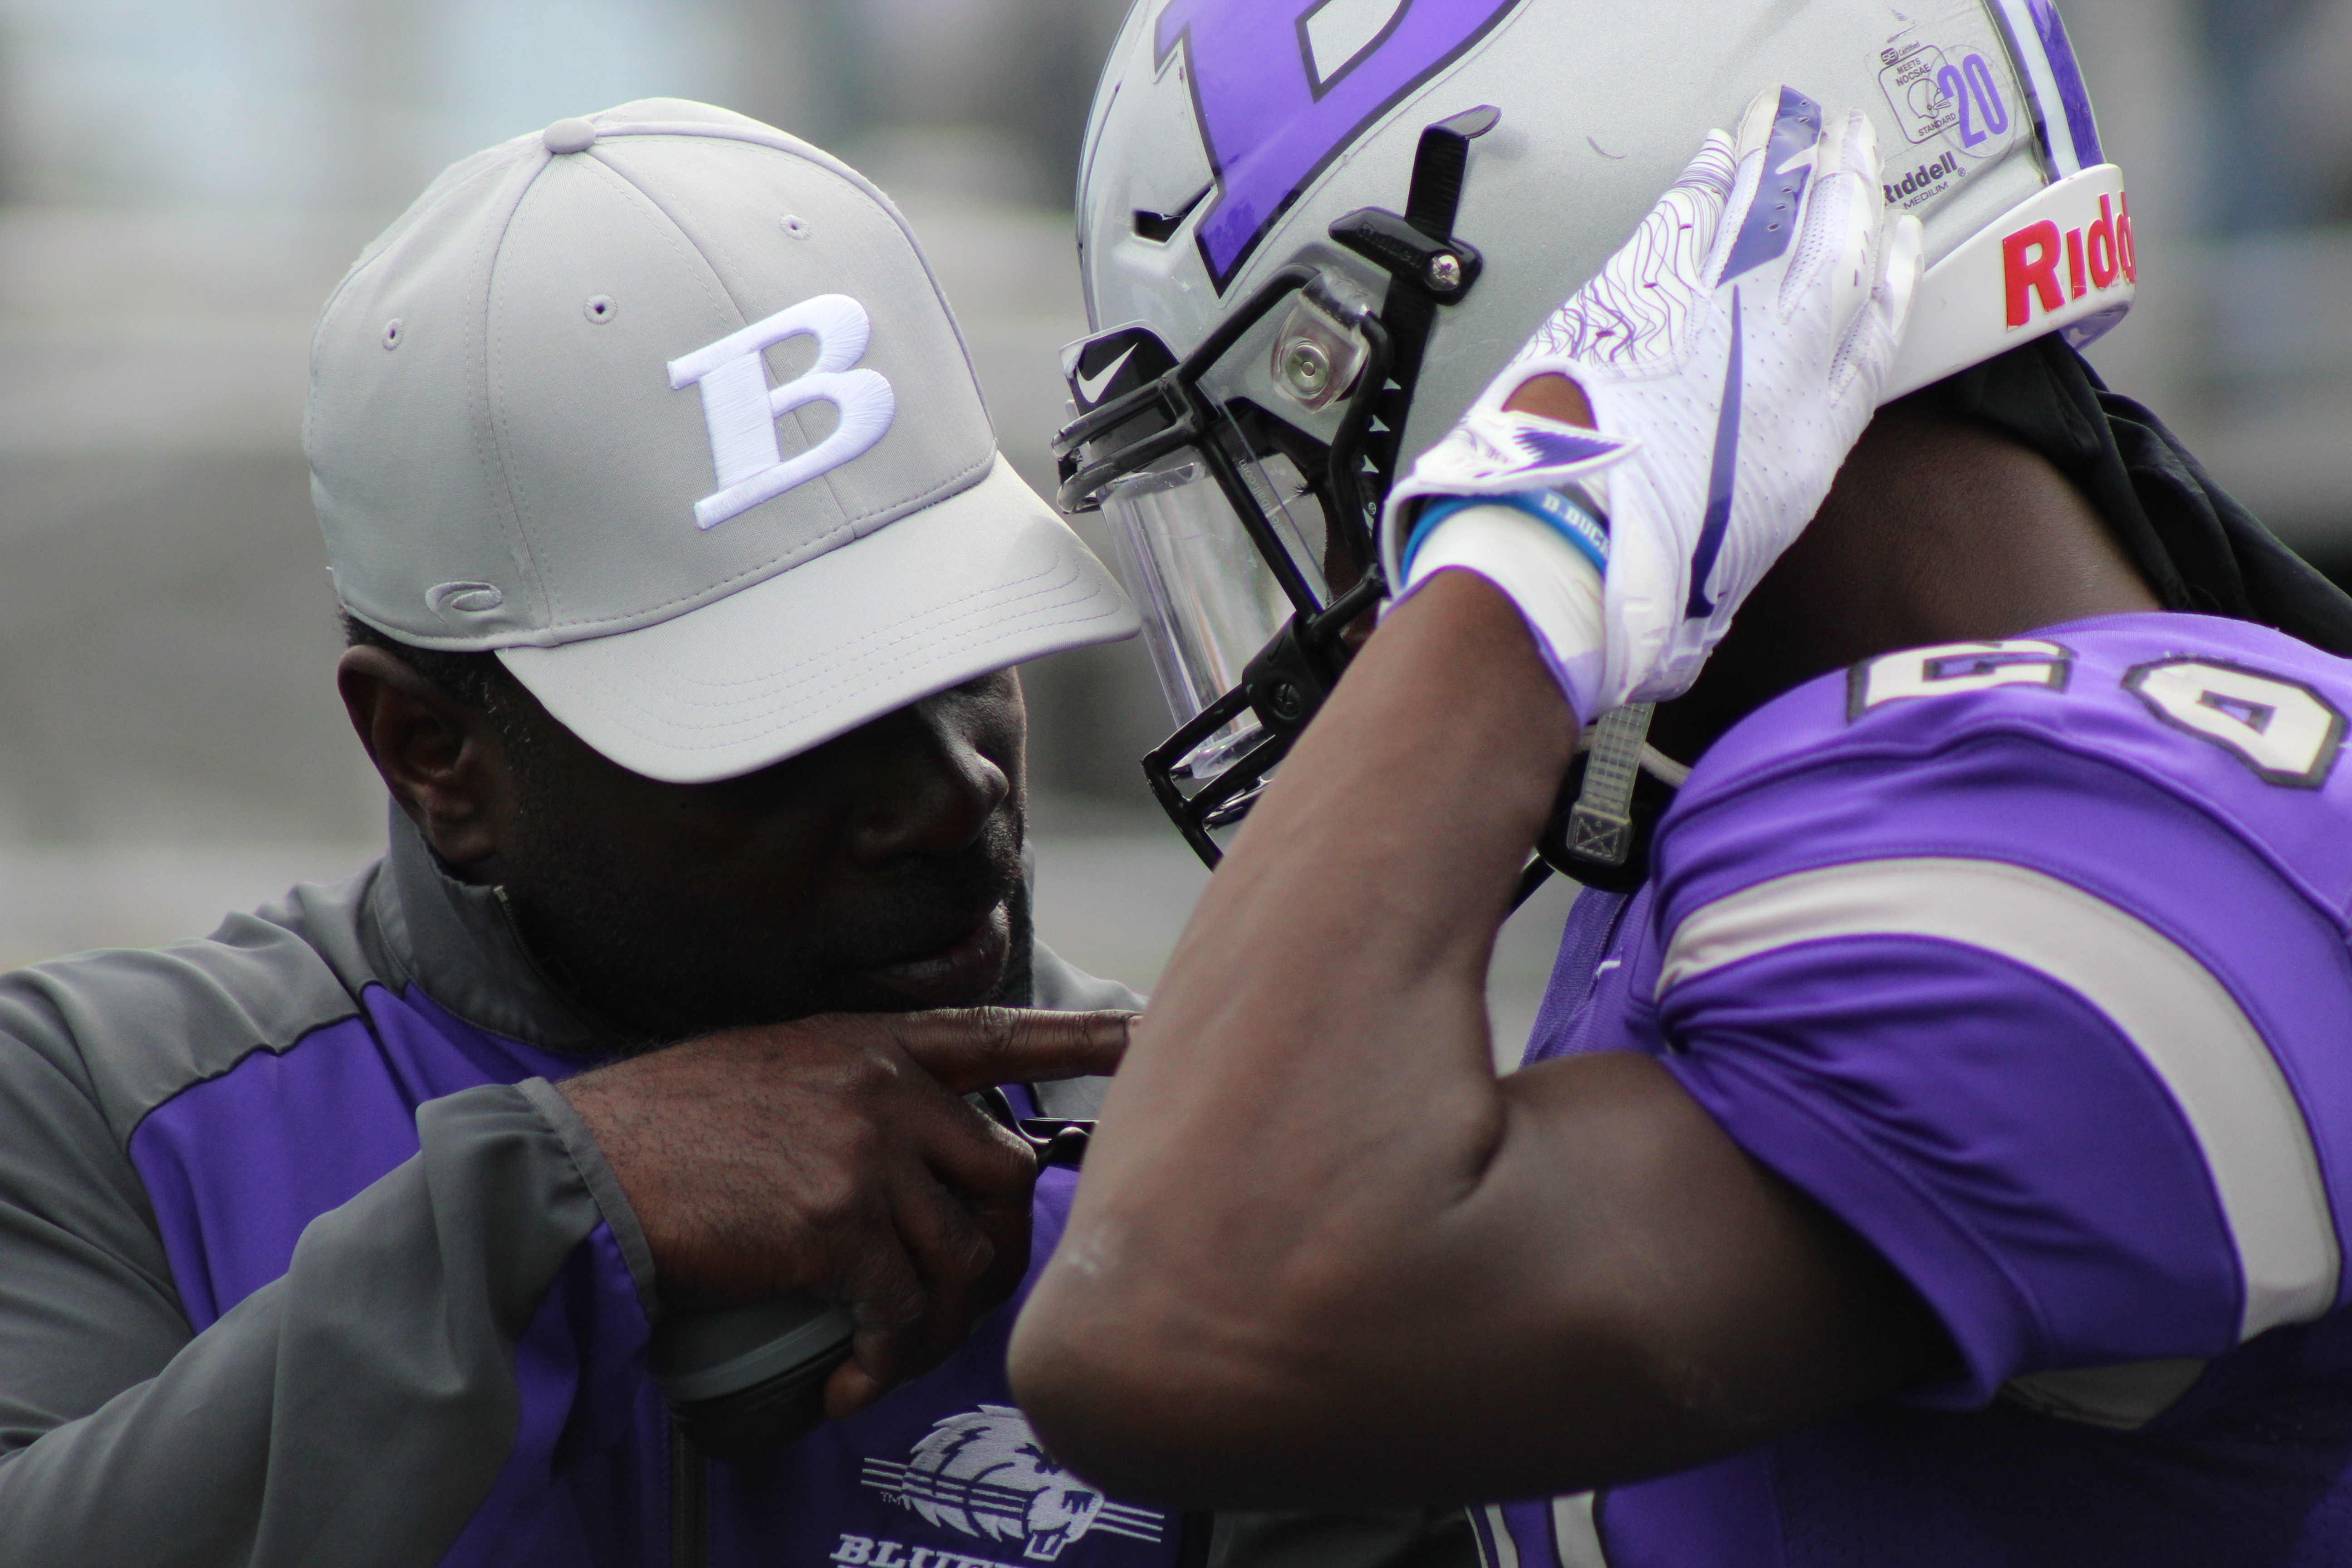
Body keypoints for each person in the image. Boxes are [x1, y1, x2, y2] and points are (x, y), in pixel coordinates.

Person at [0, 98, 1469, 1568]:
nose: (951, 793)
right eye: (791, 723)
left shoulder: (1207, 1180)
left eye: (964, 651)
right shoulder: (96, 1110)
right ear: (434, 756)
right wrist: (556, 1213)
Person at [1011, 4, 2352, 1564]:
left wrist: (1539, 544)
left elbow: (1180, 1323)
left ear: (1576, 312)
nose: (1324, 586)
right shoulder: (1758, 770)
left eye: (1303, 457)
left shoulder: (2140, 840)